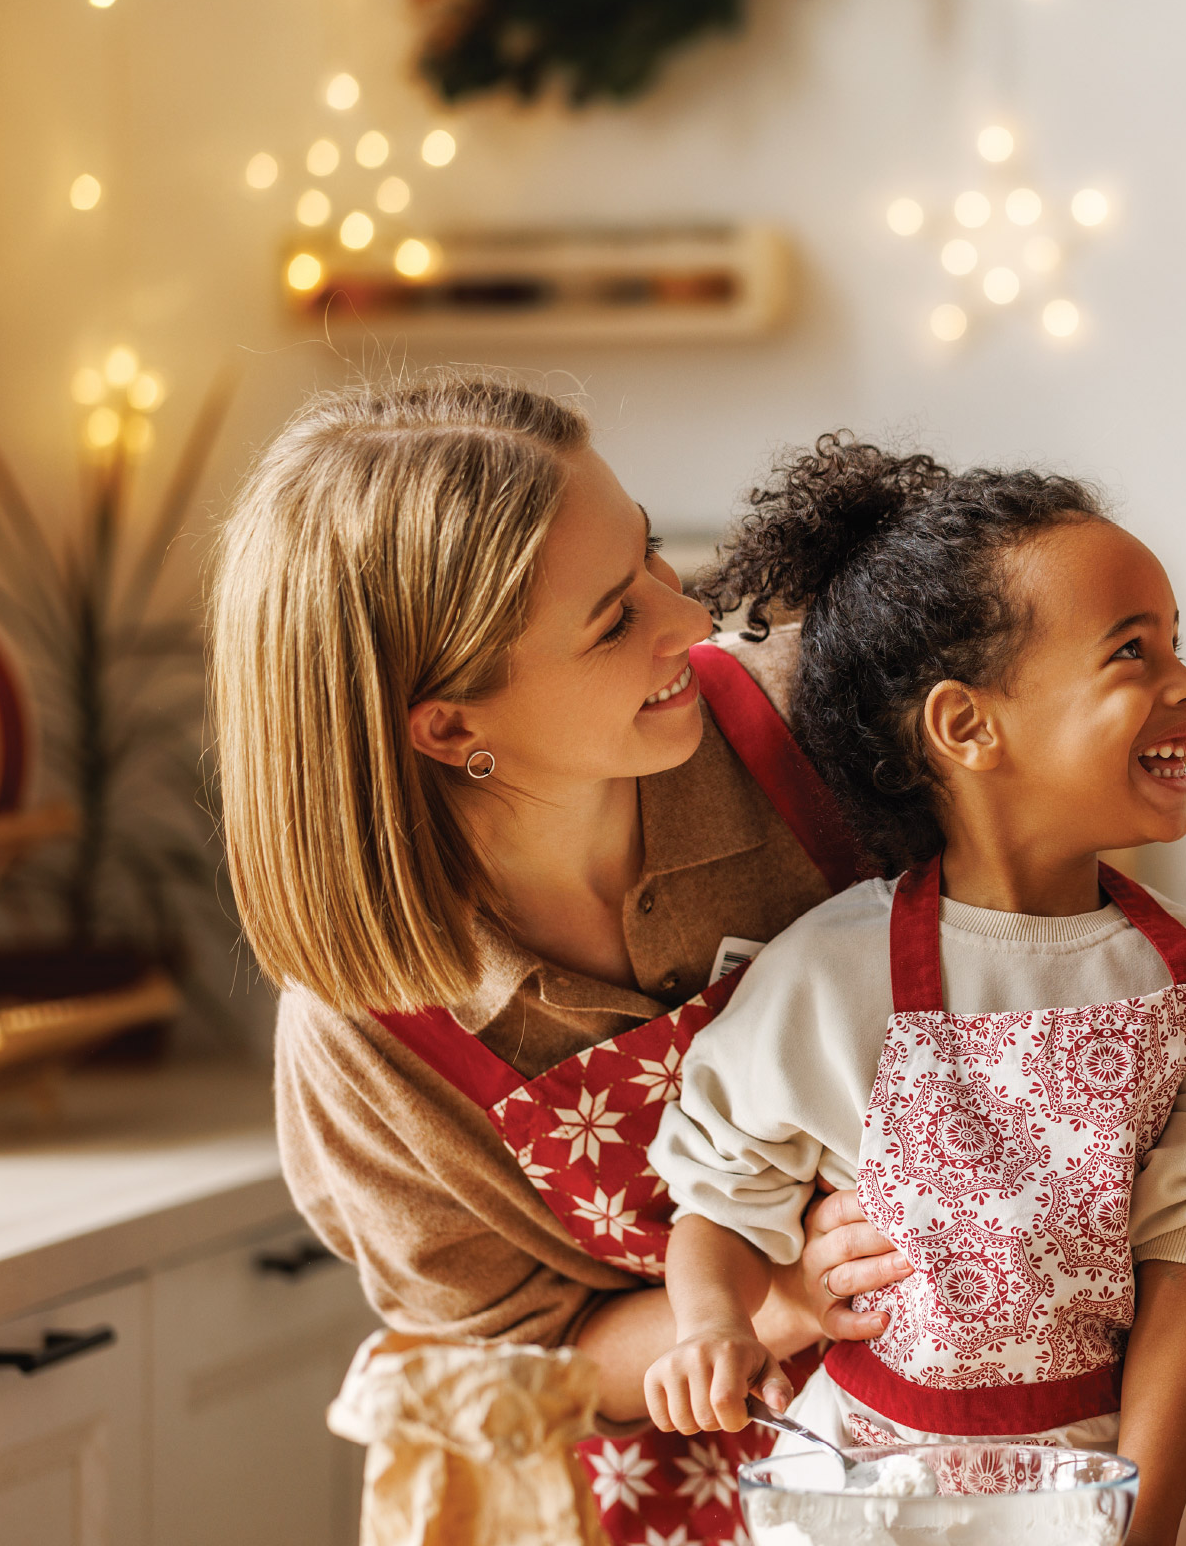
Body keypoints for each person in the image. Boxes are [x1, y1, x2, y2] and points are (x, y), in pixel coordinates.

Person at [217, 371, 916, 1546]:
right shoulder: (367, 1032)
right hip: (672, 1499)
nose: (689, 618)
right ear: (448, 725)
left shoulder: (818, 725)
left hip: (1013, 1449)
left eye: (648, 556)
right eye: (611, 617)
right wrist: (779, 1300)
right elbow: (520, 1360)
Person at [647, 441, 1186, 1546]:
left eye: (1176, 646)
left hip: (1113, 1478)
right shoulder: (826, 971)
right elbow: (720, 1197)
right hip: (864, 1494)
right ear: (965, 726)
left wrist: (1128, 1520)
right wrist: (711, 1321)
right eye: (1131, 654)